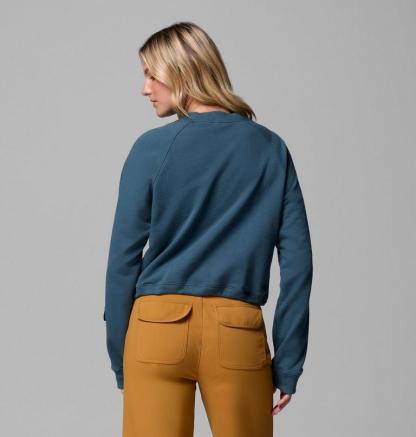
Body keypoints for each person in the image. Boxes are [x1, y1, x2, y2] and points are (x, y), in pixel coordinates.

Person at [103, 21, 313, 437]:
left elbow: (123, 261)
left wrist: (119, 353)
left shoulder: (150, 148)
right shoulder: (270, 149)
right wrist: (288, 361)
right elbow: (298, 264)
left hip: (155, 332)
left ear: (182, 72)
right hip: (236, 333)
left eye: (152, 75)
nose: (145, 89)